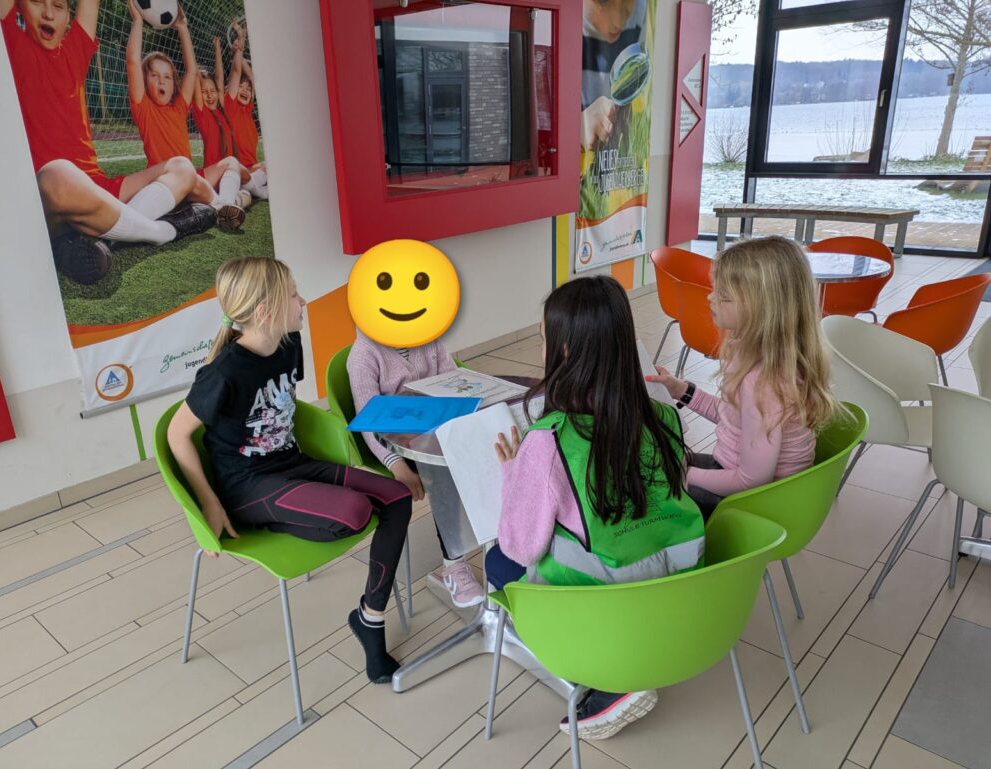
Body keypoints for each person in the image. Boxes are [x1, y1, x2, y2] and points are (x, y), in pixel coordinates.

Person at [167, 257, 411, 684]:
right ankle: (270, 517)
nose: (304, 302)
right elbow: (176, 434)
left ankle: (370, 618)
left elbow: (283, 406)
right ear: (265, 311)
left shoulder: (287, 344)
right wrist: (208, 504)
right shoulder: (223, 372)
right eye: (295, 295)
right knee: (356, 512)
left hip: (293, 464)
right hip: (247, 487)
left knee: (397, 497)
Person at [487, 275, 705, 740]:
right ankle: (635, 651)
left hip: (607, 608)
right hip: (682, 592)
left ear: (565, 351)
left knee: (496, 560)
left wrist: (513, 474)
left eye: (543, 338)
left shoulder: (547, 439)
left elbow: (521, 545)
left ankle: (607, 678)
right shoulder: (664, 416)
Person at [0, 0, 216, 285]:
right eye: (37, 1)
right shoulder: (9, 41)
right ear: (18, 6)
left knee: (182, 167)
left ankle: (103, 238)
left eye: (59, 6)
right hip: (50, 196)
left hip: (98, 188)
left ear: (69, 15)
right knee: (58, 174)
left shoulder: (75, 49)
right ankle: (163, 231)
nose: (49, 13)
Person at [648, 236, 840, 518]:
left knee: (642, 491)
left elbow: (751, 480)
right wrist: (682, 391)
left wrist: (687, 474)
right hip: (744, 481)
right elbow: (735, 419)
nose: (710, 297)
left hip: (754, 503)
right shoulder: (768, 358)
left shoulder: (763, 382)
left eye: (724, 295)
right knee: (650, 465)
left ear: (761, 309)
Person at [347, 333, 486, 608]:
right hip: (398, 444)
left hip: (440, 427)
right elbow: (369, 422)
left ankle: (504, 545)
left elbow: (453, 380)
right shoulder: (363, 354)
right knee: (445, 473)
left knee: (491, 451)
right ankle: (454, 565)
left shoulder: (429, 338)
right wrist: (396, 464)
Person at [125, 1, 245, 231]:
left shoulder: (179, 108)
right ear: (145, 80)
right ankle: (219, 205)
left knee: (231, 162)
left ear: (174, 84)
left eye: (167, 77)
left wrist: (182, 28)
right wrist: (137, 22)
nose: (161, 81)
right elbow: (132, 62)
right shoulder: (143, 108)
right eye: (154, 75)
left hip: (192, 179)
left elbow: (191, 71)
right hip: (168, 182)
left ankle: (227, 205)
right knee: (187, 175)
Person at [190, 36, 267, 201]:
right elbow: (195, 76)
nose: (210, 96)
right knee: (235, 165)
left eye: (213, 91)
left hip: (231, 173)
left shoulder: (222, 113)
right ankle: (257, 193)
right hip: (216, 175)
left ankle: (242, 195)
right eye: (204, 92)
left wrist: (217, 48)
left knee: (254, 169)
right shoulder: (202, 113)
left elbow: (219, 79)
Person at [581, 0, 646, 150]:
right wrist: (578, 126)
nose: (619, 22)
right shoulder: (558, 24)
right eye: (602, 2)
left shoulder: (641, 11)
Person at [223, 21, 269, 198]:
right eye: (241, 87)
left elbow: (252, 79)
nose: (245, 90)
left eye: (248, 89)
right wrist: (240, 43)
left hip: (252, 170)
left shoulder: (248, 110)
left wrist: (238, 52)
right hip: (237, 170)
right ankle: (255, 190)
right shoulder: (231, 106)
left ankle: (249, 188)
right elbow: (236, 72)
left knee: (271, 165)